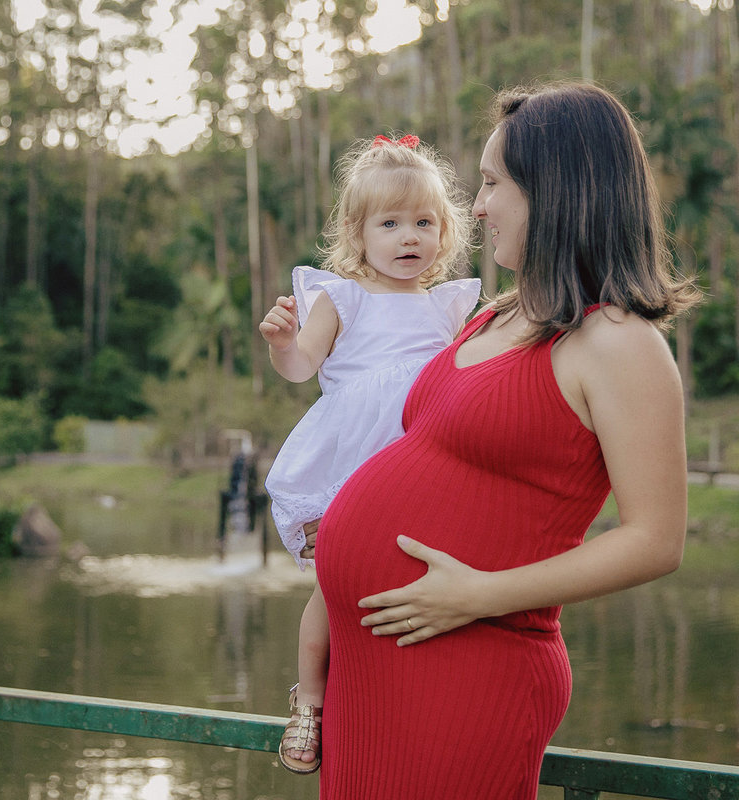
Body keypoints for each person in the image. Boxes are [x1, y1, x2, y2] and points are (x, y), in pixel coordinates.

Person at [308, 82, 701, 798]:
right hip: (376, 674)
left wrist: (480, 595)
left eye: (492, 183)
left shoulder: (618, 342)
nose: (478, 206)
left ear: (555, 189)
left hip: (467, 667)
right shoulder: (496, 314)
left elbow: (656, 538)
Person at [259, 134, 480, 774]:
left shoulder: (449, 306)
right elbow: (303, 367)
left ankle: (406, 704)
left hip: (422, 460)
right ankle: (310, 701)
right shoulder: (343, 298)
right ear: (358, 234)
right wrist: (281, 343)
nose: (408, 236)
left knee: (412, 581)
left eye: (423, 222)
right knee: (336, 582)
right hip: (353, 463)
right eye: (390, 223)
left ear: (445, 232)